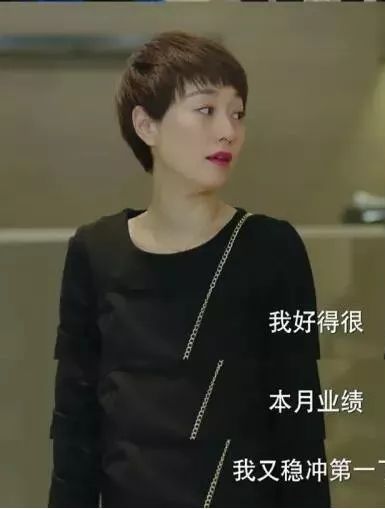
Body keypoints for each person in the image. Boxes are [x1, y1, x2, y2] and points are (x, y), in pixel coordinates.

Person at [48, 31, 330, 508]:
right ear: (147, 125)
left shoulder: (270, 248)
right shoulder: (95, 252)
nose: (228, 131)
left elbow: (299, 428)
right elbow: (75, 428)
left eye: (237, 113)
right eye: (206, 109)